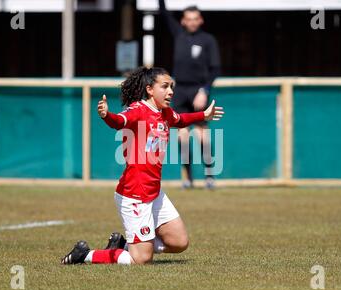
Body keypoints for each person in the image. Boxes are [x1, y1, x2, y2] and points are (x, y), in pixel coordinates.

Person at [61, 67, 224, 265]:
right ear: (149, 89)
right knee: (142, 259)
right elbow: (120, 121)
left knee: (180, 243)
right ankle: (85, 255)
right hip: (134, 194)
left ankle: (127, 245)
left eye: (171, 86)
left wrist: (202, 115)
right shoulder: (138, 110)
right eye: (164, 86)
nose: (170, 91)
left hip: (154, 193)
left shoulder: (165, 113)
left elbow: (180, 120)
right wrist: (106, 115)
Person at [159, 0, 221, 189]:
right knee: (182, 137)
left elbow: (215, 68)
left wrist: (205, 90)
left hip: (199, 91)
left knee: (202, 137)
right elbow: (164, 14)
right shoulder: (179, 35)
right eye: (188, 19)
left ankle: (209, 175)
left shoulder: (208, 40)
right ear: (183, 21)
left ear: (200, 20)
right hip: (180, 91)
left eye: (195, 18)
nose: (192, 22)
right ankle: (188, 178)